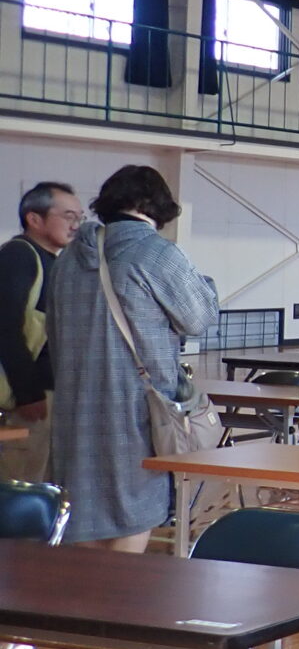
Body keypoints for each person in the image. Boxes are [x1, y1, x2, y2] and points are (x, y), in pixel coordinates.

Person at [46, 166, 218, 551]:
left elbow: (53, 332)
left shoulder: (68, 258)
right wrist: (205, 284)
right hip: (136, 412)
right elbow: (199, 318)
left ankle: (85, 591)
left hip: (74, 409)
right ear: (154, 205)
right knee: (133, 510)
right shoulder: (156, 253)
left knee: (81, 512)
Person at [0, 181, 84, 484]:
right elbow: (6, 327)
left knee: (43, 485)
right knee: (22, 484)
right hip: (27, 400)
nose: (76, 225)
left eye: (80, 218)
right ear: (34, 219)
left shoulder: (56, 263)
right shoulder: (19, 256)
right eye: (68, 216)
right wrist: (28, 394)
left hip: (49, 394)